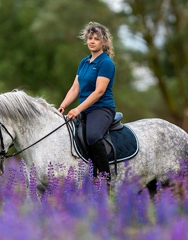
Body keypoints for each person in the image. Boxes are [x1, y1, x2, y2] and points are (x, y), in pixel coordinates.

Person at [58, 22, 116, 181]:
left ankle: (105, 179)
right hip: (85, 109)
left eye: (96, 39)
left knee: (93, 136)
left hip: (102, 108)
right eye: (90, 38)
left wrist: (77, 109)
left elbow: (99, 92)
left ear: (103, 42)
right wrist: (63, 106)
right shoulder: (84, 62)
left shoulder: (106, 63)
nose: (92, 41)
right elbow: (75, 88)